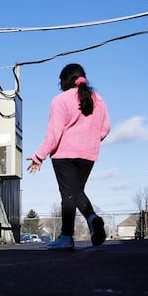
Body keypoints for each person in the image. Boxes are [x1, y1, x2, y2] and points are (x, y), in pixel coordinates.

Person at [27, 64, 110, 251]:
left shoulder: (60, 100)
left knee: (68, 195)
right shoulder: (98, 99)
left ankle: (66, 237)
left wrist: (39, 156)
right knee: (77, 190)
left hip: (64, 154)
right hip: (88, 154)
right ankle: (92, 218)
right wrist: (89, 140)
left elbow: (54, 134)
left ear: (64, 81)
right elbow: (105, 129)